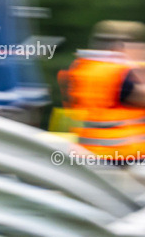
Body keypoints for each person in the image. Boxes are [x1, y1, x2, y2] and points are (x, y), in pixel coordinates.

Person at [60, 20, 145, 161]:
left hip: (89, 151)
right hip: (124, 155)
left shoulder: (83, 67)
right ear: (121, 45)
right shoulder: (118, 72)